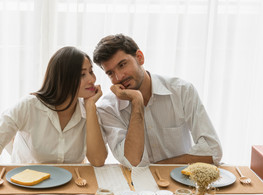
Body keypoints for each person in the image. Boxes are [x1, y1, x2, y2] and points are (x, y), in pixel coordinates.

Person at [0, 46, 107, 194]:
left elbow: (98, 161)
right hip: (23, 188)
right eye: (82, 75)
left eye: (91, 71)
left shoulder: (88, 110)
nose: (92, 79)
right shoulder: (28, 106)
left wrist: (90, 107)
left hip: (70, 188)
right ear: (63, 78)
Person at [93, 34, 222, 169]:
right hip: (137, 186)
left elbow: (213, 150)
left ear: (140, 58)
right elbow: (133, 162)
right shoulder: (107, 108)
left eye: (122, 65)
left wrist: (158, 167)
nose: (119, 76)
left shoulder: (182, 91)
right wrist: (137, 100)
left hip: (181, 182)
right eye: (110, 73)